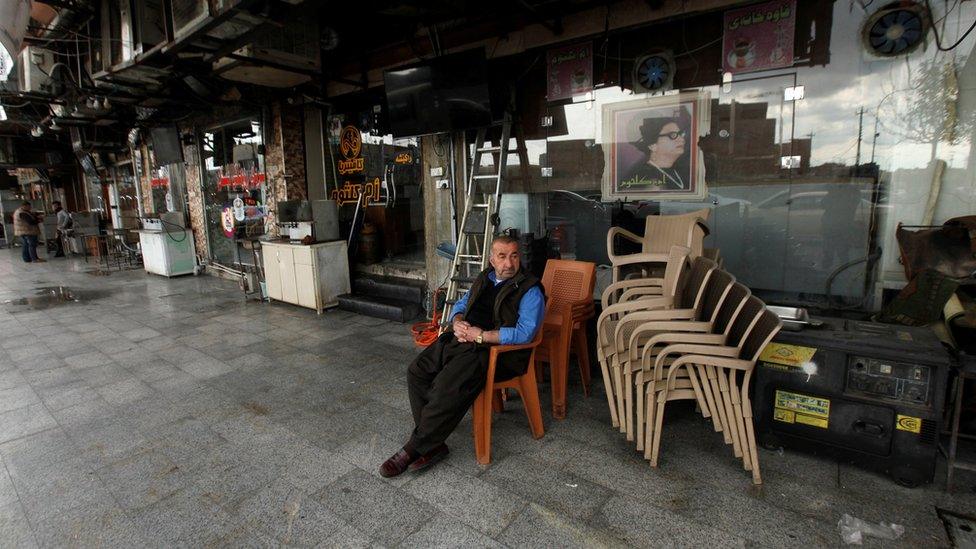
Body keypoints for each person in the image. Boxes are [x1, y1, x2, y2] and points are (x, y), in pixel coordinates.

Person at [380, 235, 546, 477]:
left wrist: (483, 336)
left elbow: (526, 333)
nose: (509, 263)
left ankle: (413, 448)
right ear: (492, 258)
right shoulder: (484, 278)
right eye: (502, 256)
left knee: (445, 385)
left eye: (514, 255)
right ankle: (433, 444)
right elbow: (461, 304)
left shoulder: (530, 289)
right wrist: (457, 322)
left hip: (492, 352)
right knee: (417, 371)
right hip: (462, 339)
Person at [620, 117, 689, 191]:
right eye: (672, 135)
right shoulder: (644, 177)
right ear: (652, 145)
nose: (682, 139)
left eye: (681, 134)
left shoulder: (682, 169)